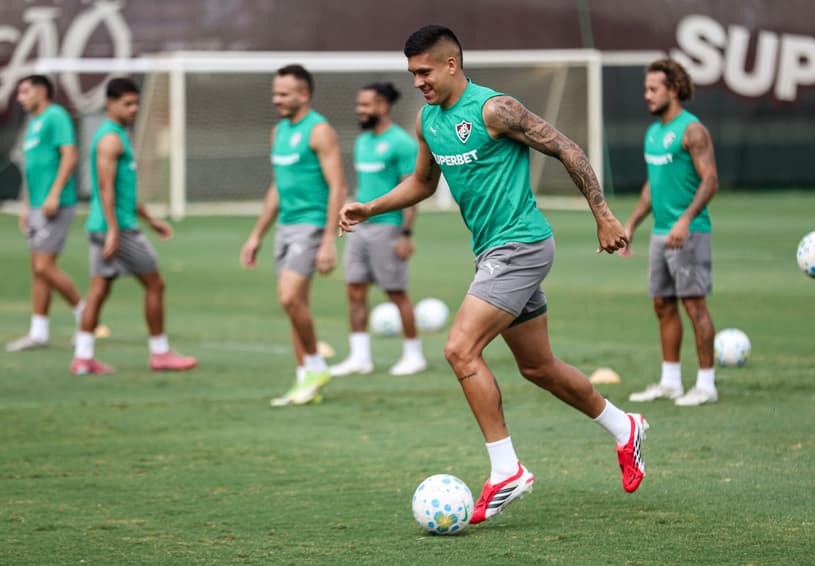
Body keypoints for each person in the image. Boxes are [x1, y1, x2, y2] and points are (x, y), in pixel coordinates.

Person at [339, 25, 649, 524]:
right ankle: (624, 426)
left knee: (459, 349)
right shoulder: (427, 120)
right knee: (538, 367)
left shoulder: (494, 109)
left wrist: (604, 214)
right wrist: (370, 207)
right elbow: (422, 182)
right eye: (412, 73)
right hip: (491, 252)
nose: (418, 82)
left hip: (521, 245)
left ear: (451, 64)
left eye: (424, 71)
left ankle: (507, 471)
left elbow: (567, 147)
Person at [70, 77, 197, 375]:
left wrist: (151, 220)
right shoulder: (110, 139)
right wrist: (115, 229)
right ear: (110, 103)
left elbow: (123, 190)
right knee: (155, 284)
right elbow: (105, 189)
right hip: (118, 228)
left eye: (136, 103)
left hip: (104, 225)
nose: (134, 109)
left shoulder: (118, 135)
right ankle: (160, 352)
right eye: (127, 104)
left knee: (99, 289)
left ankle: (83, 357)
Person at [240, 65, 347, 406]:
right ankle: (305, 381)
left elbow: (338, 187)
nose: (277, 99)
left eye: (284, 94)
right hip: (284, 228)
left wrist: (328, 240)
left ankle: (315, 365)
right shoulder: (278, 132)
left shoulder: (319, 131)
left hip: (311, 225)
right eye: (275, 93)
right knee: (295, 304)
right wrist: (256, 235)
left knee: (289, 297)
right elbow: (277, 186)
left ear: (304, 94)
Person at [622, 58, 719, 407]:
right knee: (662, 305)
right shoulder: (653, 133)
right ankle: (671, 382)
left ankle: (706, 385)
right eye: (646, 89)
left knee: (694, 306)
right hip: (661, 234)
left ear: (674, 90)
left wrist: (685, 220)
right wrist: (632, 224)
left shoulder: (692, 130)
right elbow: (653, 187)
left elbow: (710, 180)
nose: (647, 95)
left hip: (689, 233)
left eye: (653, 89)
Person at [330, 82, 427, 378]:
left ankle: (414, 355)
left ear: (383, 106)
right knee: (354, 290)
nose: (359, 110)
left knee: (396, 292)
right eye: (358, 104)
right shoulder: (362, 141)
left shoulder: (401, 143)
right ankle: (360, 358)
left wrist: (406, 234)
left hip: (388, 228)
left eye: (366, 105)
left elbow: (411, 191)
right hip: (359, 229)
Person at [6, 75, 86, 352]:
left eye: (25, 91)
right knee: (38, 270)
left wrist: (54, 194)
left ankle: (85, 314)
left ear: (41, 91)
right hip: (37, 205)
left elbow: (70, 155)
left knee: (44, 267)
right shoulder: (34, 123)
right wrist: (27, 206)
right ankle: (38, 332)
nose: (20, 98)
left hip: (56, 203)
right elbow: (35, 168)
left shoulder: (56, 116)